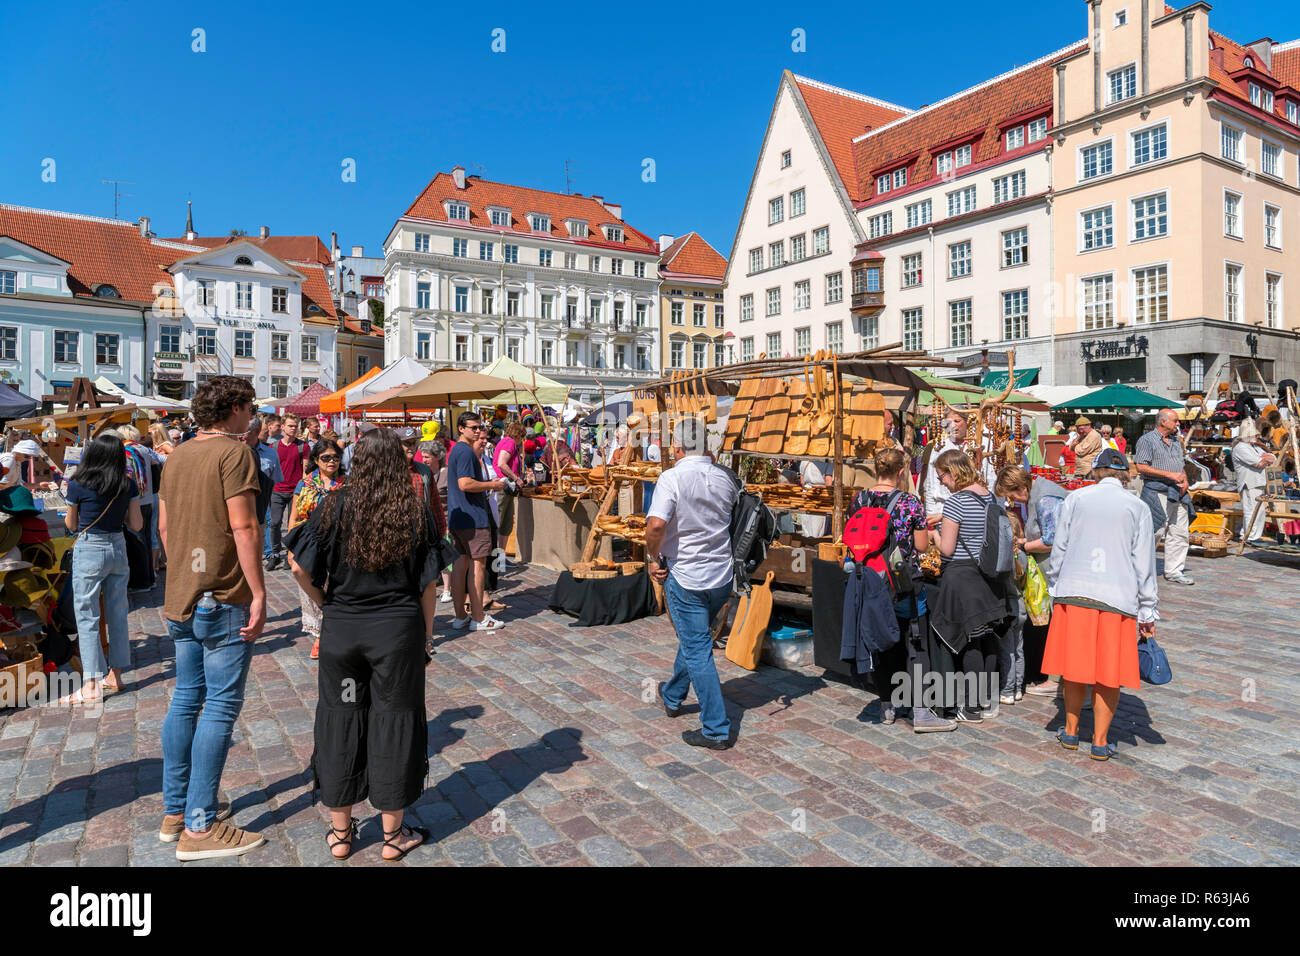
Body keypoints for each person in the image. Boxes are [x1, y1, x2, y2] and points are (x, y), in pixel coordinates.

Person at [286, 428, 444, 861]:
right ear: (399, 463)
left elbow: (298, 566)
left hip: (343, 633)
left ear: (357, 462)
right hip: (396, 633)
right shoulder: (413, 511)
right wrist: (428, 637)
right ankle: (392, 837)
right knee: (394, 721)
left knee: (340, 720)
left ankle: (340, 834)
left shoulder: (333, 505)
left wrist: (324, 604)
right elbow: (429, 583)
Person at [158, 375, 266, 860]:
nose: (253, 414)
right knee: (219, 707)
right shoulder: (233, 452)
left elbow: (164, 527)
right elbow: (243, 525)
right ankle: (200, 827)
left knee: (185, 701)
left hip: (183, 593)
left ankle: (176, 811)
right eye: (249, 406)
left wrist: (185, 569)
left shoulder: (178, 454)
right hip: (221, 596)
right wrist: (259, 592)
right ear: (235, 408)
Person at [1042, 450, 1157, 761]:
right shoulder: (1137, 506)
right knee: (1109, 673)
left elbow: (1060, 547)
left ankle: (1069, 730)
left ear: (1095, 472)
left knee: (1075, 667)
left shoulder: (1076, 500)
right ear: (1123, 475)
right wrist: (1148, 607)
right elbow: (1143, 561)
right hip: (1117, 596)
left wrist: (1055, 585)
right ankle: (1100, 740)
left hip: (1075, 591)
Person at [647, 418, 739, 750]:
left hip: (687, 574)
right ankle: (673, 695)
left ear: (676, 447)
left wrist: (652, 557)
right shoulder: (724, 478)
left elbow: (656, 525)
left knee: (699, 649)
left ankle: (715, 728)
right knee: (696, 638)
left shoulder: (672, 478)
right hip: (720, 574)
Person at [851, 448, 953, 732]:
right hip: (903, 583)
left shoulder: (860, 499)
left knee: (881, 642)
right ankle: (921, 711)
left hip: (869, 580)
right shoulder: (910, 502)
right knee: (914, 642)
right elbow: (921, 546)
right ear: (900, 472)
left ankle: (887, 705)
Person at [930, 450, 1014, 722]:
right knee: (986, 638)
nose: (941, 481)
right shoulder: (989, 496)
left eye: (942, 475)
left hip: (963, 579)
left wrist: (932, 532)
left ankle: (972, 708)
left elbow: (947, 549)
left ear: (953, 472)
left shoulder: (956, 502)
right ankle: (988, 701)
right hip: (989, 578)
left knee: (969, 643)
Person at [59, 432, 143, 704]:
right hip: (118, 547)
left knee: (88, 616)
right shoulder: (126, 484)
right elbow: (137, 525)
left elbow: (72, 526)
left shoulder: (78, 483)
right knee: (118, 614)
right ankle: (115, 676)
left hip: (90, 548)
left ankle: (91, 684)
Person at [995, 466, 1070, 699]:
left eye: (1012, 495)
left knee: (1059, 619)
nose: (1013, 500)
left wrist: (1022, 546)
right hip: (1051, 566)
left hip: (1057, 569)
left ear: (1020, 487)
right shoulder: (1039, 493)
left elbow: (1053, 539)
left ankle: (1058, 679)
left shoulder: (1046, 497)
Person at [447, 412, 505, 632]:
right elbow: (465, 483)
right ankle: (478, 617)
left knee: (461, 566)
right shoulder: (464, 452)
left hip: (459, 516)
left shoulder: (458, 450)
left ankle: (461, 616)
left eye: (480, 427)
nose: (479, 431)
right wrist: (491, 485)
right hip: (472, 517)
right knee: (477, 566)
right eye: (474, 428)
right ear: (461, 428)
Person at [288, 438, 345, 659]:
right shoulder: (305, 484)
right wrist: (292, 550)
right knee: (305, 581)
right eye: (326, 458)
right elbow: (294, 518)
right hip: (308, 542)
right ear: (315, 460)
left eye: (335, 457)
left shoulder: (346, 483)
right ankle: (324, 623)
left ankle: (326, 634)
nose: (332, 461)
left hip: (338, 543)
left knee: (333, 584)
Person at [1134, 408, 1194, 586]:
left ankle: (1174, 571)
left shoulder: (1176, 441)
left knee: (1180, 533)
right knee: (1154, 532)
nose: (1178, 424)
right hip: (1157, 491)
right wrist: (1170, 475)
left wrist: (1185, 480)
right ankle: (1140, 572)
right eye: (1175, 421)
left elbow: (1180, 465)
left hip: (1179, 492)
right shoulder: (1147, 440)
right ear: (1163, 422)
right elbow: (1141, 467)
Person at [118, 425, 161, 591]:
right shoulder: (143, 449)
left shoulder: (126, 452)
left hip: (135, 501)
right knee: (146, 540)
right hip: (148, 499)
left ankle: (141, 582)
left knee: (136, 542)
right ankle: (150, 578)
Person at [267, 413, 310, 570]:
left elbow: (305, 469)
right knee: (275, 523)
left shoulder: (302, 446)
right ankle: (276, 554)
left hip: (295, 491)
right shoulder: (274, 447)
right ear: (283, 427)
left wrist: (302, 489)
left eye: (295, 426)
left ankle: (291, 554)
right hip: (277, 490)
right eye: (290, 425)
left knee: (294, 524)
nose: (293, 428)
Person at [1232, 418, 1276, 545]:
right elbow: (1259, 463)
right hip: (1249, 483)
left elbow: (1272, 457)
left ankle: (1251, 535)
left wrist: (1265, 458)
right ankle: (1249, 536)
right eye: (1254, 434)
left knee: (1259, 511)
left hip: (1257, 482)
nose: (1257, 436)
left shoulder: (1254, 447)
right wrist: (1264, 459)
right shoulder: (1241, 448)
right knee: (1251, 510)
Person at [493, 421, 527, 545]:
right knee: (501, 522)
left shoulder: (507, 442)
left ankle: (500, 559)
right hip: (503, 486)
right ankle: (495, 558)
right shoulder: (510, 442)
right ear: (518, 435)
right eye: (522, 437)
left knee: (506, 523)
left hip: (506, 486)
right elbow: (501, 463)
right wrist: (516, 478)